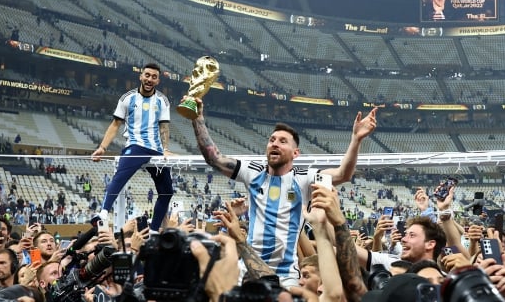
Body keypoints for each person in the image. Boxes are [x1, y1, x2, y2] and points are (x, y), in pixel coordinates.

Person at [187, 95, 377, 287]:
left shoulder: (304, 178)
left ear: (296, 153)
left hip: (285, 275)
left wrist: (356, 139)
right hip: (249, 268)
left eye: (283, 141)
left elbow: (343, 174)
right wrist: (197, 119)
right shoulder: (252, 173)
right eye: (272, 140)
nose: (275, 143)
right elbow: (214, 158)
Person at [91, 63, 174, 232]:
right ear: (141, 76)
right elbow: (115, 124)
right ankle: (104, 213)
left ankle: (153, 230)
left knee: (167, 192)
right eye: (147, 75)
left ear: (158, 81)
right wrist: (102, 147)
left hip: (156, 150)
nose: (150, 79)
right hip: (136, 146)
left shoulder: (162, 101)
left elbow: (164, 127)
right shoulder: (127, 98)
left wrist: (165, 148)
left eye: (154, 77)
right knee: (120, 176)